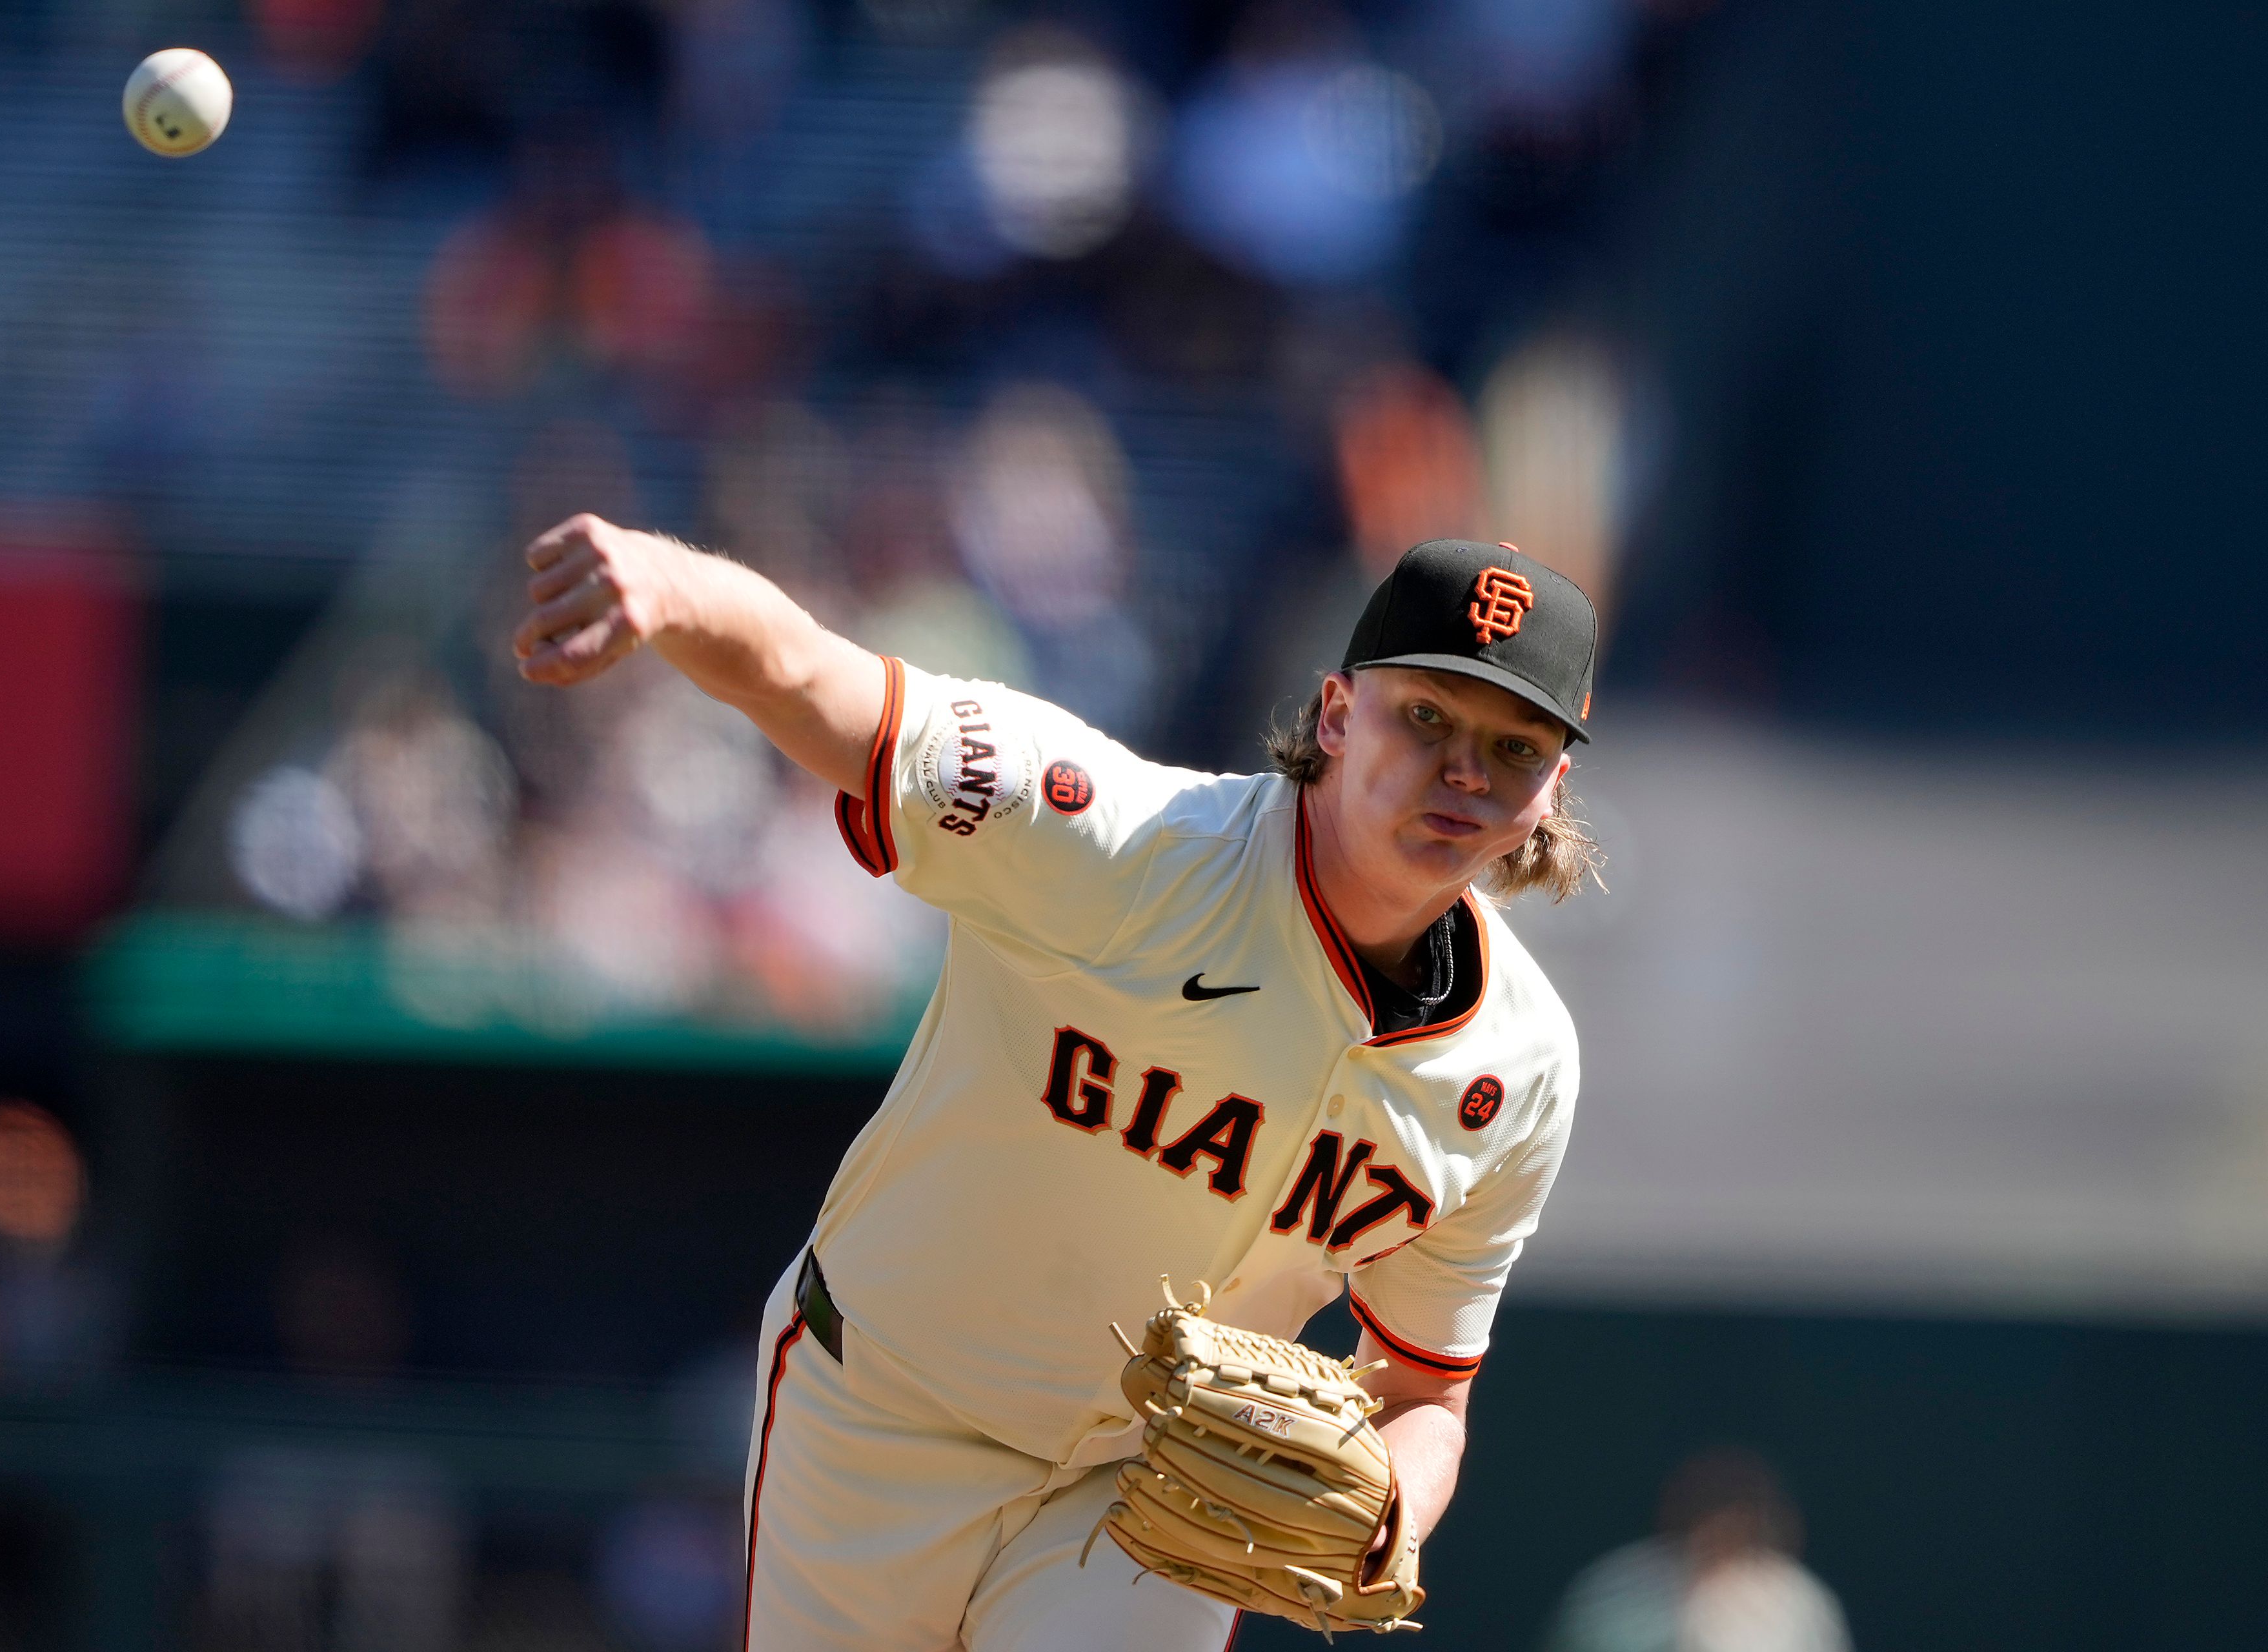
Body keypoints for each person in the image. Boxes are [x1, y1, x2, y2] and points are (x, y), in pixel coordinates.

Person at [513, 521, 1600, 1650]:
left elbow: (1425, 1393)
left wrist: (1390, 1512)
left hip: (1144, 1493)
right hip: (885, 1406)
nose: (1466, 771)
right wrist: (668, 586)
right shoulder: (1120, 846)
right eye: (1426, 717)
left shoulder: (1519, 1069)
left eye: (1516, 747)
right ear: (1336, 715)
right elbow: (820, 684)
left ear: (1554, 786)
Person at [1543, 1449, 1854, 1652]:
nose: (1722, 1525)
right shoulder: (1616, 1586)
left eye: (1737, 1510)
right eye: (1710, 1507)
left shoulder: (1798, 1600)